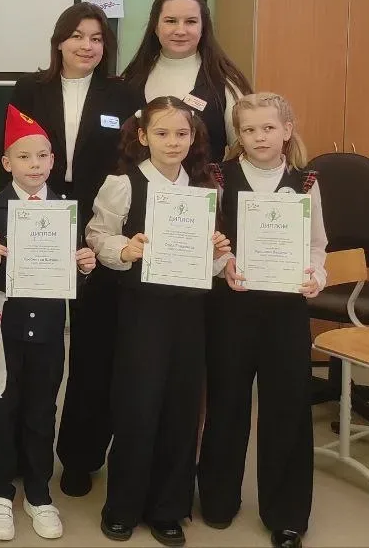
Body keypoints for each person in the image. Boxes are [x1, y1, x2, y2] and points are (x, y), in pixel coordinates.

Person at [0, 1, 133, 498]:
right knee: (26, 347)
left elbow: (129, 163)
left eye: (96, 37)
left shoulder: (122, 93)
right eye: (76, 35)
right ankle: (10, 455)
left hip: (98, 227)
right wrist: (6, 225)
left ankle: (79, 455)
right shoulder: (30, 89)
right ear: (59, 41)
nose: (86, 45)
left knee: (93, 349)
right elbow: (9, 159)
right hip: (36, 222)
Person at [85, 96, 230, 548]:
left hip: (189, 312)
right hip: (141, 311)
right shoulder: (123, 183)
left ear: (194, 137)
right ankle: (122, 507)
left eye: (182, 134)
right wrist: (123, 249)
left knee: (181, 408)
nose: (173, 142)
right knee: (138, 406)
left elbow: (210, 263)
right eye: (162, 133)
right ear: (143, 136)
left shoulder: (204, 188)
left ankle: (168, 509)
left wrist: (218, 253)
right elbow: (97, 234)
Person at [197, 93, 328, 548]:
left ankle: (286, 513)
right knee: (227, 403)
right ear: (239, 135)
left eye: (268, 128)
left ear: (287, 130)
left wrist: (316, 277)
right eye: (249, 130)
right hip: (231, 307)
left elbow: (316, 245)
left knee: (287, 407)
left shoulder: (305, 182)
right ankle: (217, 498)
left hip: (285, 312)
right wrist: (224, 265)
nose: (259, 137)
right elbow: (206, 240)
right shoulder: (218, 177)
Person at [0, 105, 97, 542]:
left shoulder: (66, 210)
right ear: (7, 163)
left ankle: (39, 493)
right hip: (3, 329)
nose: (35, 165)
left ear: (53, 161)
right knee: (1, 408)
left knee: (43, 408)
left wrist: (85, 266)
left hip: (48, 329)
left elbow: (75, 268)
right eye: (24, 157)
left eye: (42, 156)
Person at [120, 0, 251, 163]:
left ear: (203, 27)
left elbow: (245, 150)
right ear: (155, 27)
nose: (180, 31)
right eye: (171, 21)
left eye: (190, 22)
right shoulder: (131, 80)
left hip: (205, 181)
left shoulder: (225, 82)